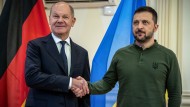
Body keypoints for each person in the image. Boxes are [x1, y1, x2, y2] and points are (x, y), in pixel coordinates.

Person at [73, 6, 182, 107]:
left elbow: (175, 94)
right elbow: (107, 83)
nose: (139, 26)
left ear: (155, 27)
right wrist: (86, 86)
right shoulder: (121, 54)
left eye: (145, 22)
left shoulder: (168, 56)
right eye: (135, 23)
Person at [25, 2, 90, 107]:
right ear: (49, 19)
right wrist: (70, 82)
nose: (60, 20)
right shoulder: (36, 46)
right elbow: (32, 77)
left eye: (65, 17)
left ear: (73, 21)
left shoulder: (82, 53)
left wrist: (82, 87)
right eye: (56, 16)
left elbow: (84, 89)